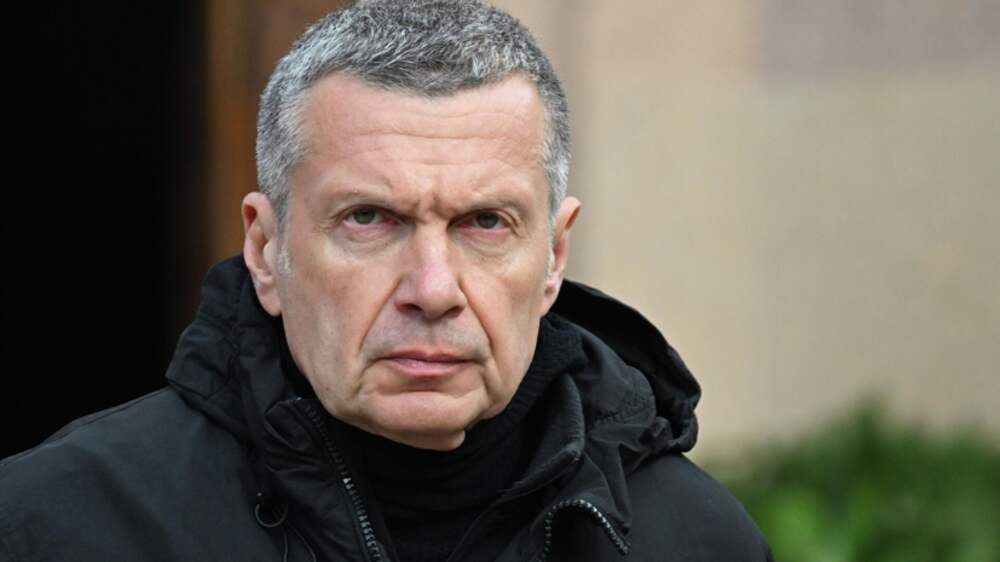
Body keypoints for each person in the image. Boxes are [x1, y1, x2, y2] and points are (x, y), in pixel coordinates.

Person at [1, 1, 772, 560]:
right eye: (369, 219)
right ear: (265, 249)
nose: (432, 290)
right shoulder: (56, 525)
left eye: (485, 223)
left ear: (554, 257)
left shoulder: (697, 540)